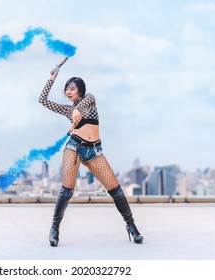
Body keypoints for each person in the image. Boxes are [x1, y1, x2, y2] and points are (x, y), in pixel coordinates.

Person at [39, 63, 144, 247]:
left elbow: (85, 102)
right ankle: (54, 228)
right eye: (66, 89)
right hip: (75, 147)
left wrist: (78, 110)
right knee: (67, 190)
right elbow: (43, 100)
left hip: (95, 151)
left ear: (80, 90)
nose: (68, 92)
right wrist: (51, 80)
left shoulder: (90, 100)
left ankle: (131, 226)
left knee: (116, 190)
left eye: (72, 88)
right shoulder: (67, 109)